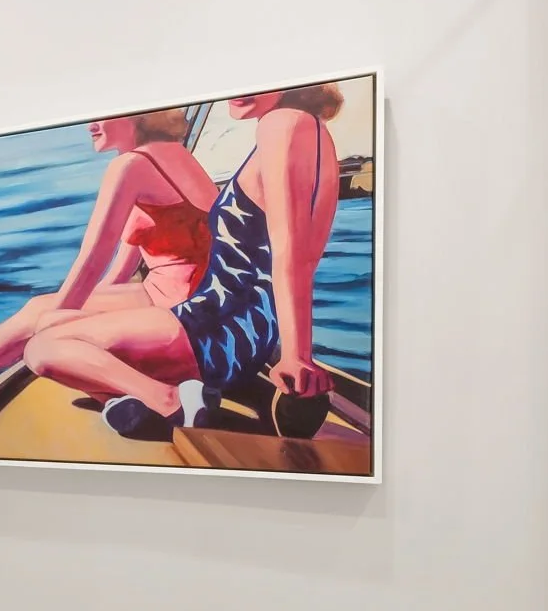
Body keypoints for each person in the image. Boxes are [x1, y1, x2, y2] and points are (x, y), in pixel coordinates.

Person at [21, 84, 343, 437]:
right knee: (52, 324)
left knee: (43, 347)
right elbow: (301, 252)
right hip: (235, 323)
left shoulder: (281, 124)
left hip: (224, 328)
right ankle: (137, 401)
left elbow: (290, 250)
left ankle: (167, 401)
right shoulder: (308, 130)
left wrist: (297, 356)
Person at [0, 110, 215, 401]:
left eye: (102, 116)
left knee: (46, 323)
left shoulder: (130, 167)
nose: (90, 125)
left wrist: (55, 323)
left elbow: (92, 261)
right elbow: (118, 273)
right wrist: (61, 314)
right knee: (39, 307)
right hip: (178, 293)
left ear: (138, 118)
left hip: (177, 305)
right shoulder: (171, 157)